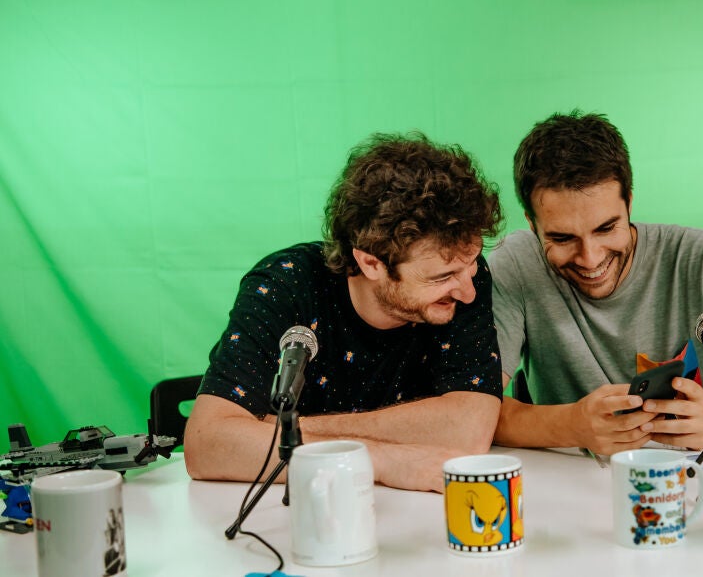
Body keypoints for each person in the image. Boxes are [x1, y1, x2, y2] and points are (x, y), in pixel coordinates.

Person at [488, 111, 703, 456]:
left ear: (629, 202)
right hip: (566, 482)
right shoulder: (515, 265)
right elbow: (473, 410)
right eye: (563, 238)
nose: (590, 259)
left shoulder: (702, 258)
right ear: (532, 225)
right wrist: (570, 425)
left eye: (606, 228)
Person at [184, 133, 504, 492]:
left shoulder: (464, 277)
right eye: (442, 277)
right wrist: (381, 460)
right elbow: (208, 443)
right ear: (370, 263)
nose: (468, 291)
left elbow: (469, 430)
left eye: (471, 265)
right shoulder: (286, 284)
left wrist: (285, 432)